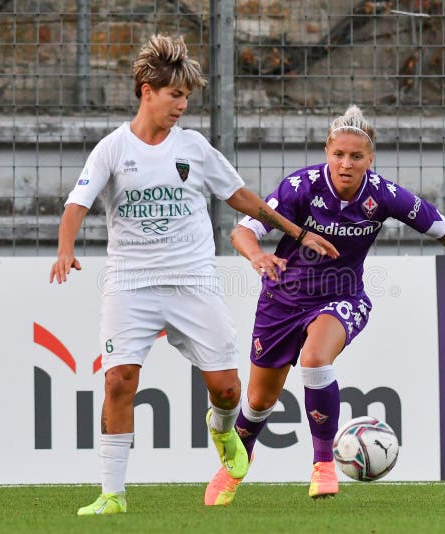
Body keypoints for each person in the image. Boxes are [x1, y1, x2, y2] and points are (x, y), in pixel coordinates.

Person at [49, 34, 338, 515]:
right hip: (129, 285)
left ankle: (223, 430)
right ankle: (111, 494)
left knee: (227, 388)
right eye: (174, 95)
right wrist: (65, 248)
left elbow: (242, 197)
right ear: (147, 90)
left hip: (193, 283)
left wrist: (296, 231)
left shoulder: (195, 148)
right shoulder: (112, 149)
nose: (182, 105)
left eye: (186, 96)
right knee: (119, 380)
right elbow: (76, 205)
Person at [204, 105, 445, 505]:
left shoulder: (385, 196)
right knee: (260, 401)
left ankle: (323, 466)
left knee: (316, 359)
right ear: (327, 153)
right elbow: (244, 230)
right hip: (281, 300)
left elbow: (443, 230)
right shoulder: (300, 187)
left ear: (370, 159)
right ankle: (236, 465)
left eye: (356, 156)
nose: (346, 163)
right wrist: (257, 257)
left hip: (343, 296)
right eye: (339, 154)